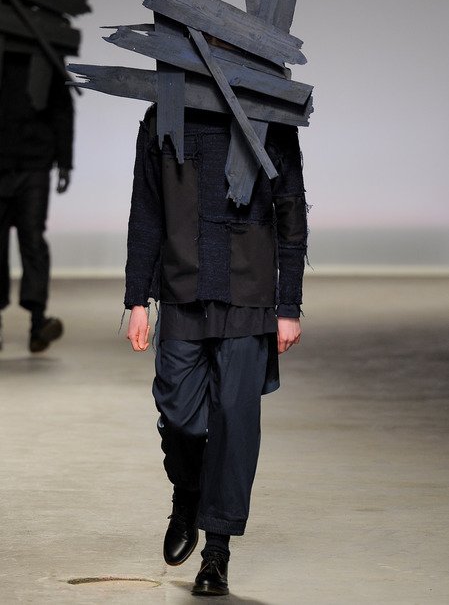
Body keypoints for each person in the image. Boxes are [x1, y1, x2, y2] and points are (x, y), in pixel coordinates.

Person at [125, 103, 308, 596]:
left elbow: (290, 208)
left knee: (234, 421)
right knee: (179, 414)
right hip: (182, 286)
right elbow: (147, 210)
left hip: (248, 291)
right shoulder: (162, 116)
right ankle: (187, 492)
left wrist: (288, 305)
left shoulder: (270, 116)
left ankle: (217, 553)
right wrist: (137, 299)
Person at [0, 49, 73, 352]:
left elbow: (61, 107)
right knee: (24, 241)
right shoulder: (42, 46)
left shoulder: (44, 47)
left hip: (34, 162)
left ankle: (38, 322)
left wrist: (65, 161)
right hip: (17, 160)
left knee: (32, 239)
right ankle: (34, 322)